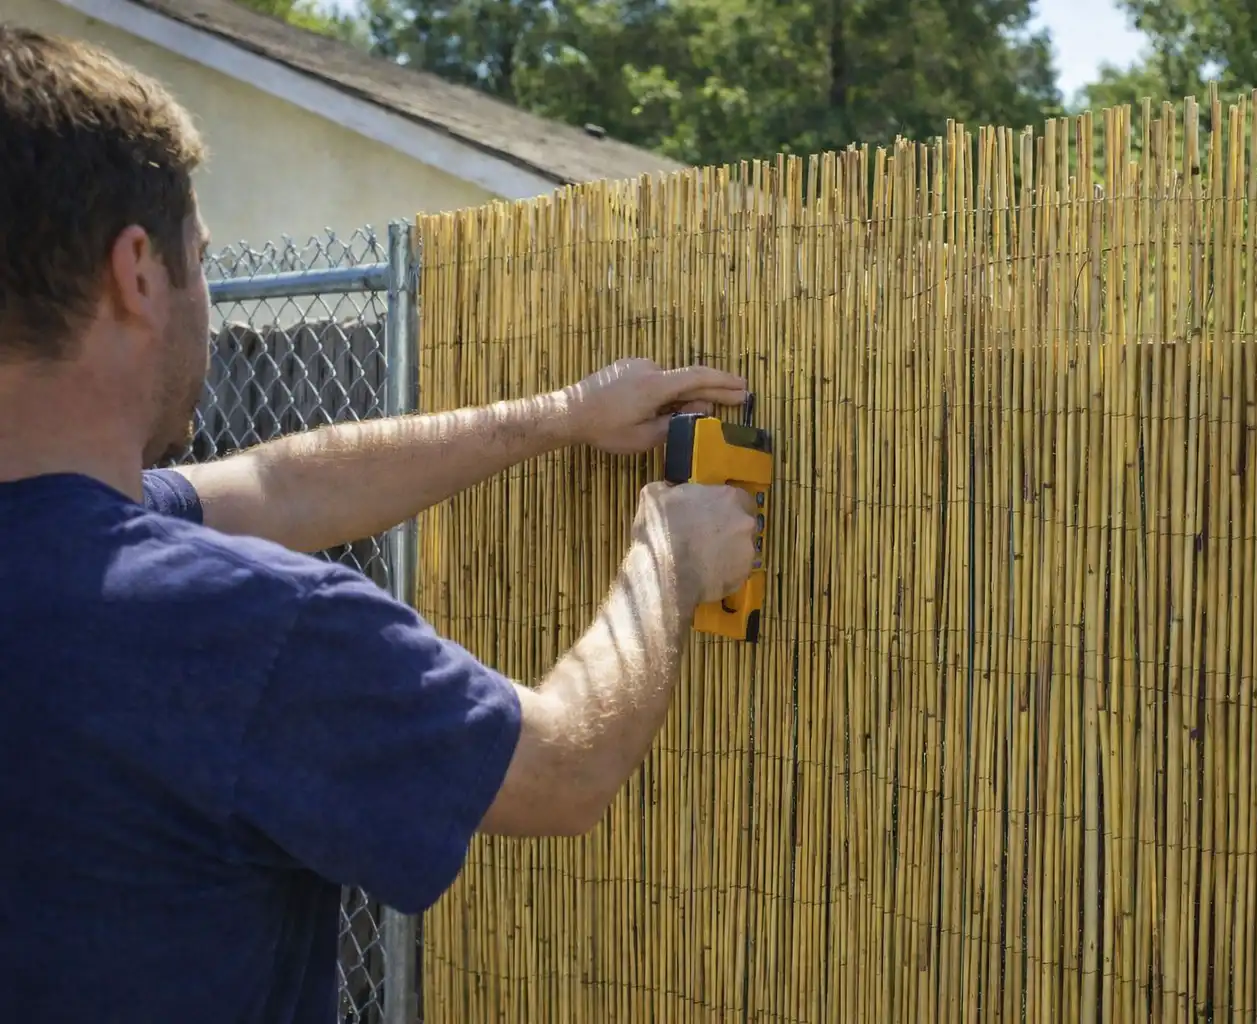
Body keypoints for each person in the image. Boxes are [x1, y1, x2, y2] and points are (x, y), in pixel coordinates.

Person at [0, 24, 759, 1023]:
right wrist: (670, 556)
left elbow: (273, 487)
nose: (209, 300)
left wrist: (559, 416)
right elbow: (563, 769)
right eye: (202, 262)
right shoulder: (241, 630)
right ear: (136, 273)